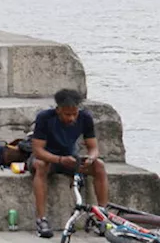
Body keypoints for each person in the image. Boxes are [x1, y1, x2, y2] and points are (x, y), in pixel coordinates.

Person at [31, 89, 108, 238]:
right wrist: (59, 160)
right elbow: (37, 150)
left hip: (70, 158)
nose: (72, 118)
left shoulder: (85, 117)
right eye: (67, 114)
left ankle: (102, 216)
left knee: (99, 165)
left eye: (74, 114)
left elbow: (93, 147)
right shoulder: (45, 118)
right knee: (41, 166)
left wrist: (91, 158)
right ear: (58, 109)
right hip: (47, 158)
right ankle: (41, 220)